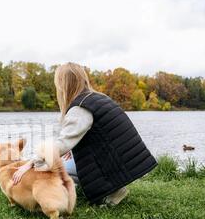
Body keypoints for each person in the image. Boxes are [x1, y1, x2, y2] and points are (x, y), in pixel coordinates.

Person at [12, 62, 157, 206]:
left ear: (63, 85)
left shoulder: (81, 108)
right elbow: (95, 136)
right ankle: (113, 186)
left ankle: (111, 192)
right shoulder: (97, 98)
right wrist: (70, 151)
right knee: (60, 161)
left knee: (48, 167)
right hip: (123, 160)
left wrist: (31, 163)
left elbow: (61, 144)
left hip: (113, 163)